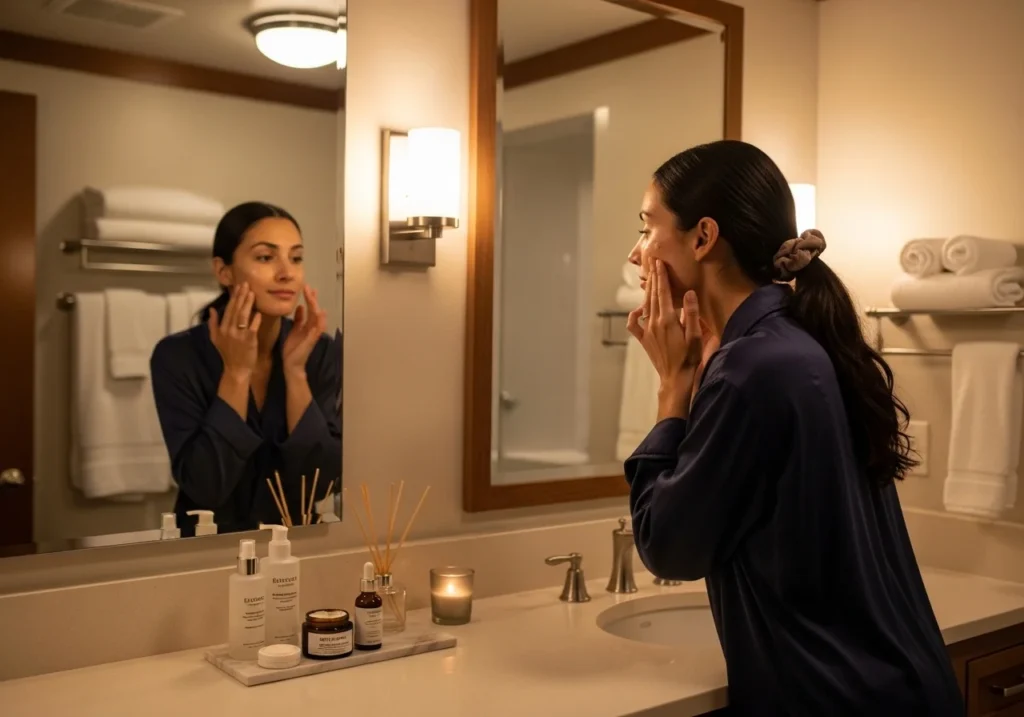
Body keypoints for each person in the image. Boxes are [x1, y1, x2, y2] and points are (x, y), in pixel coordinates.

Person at [623, 140, 963, 715]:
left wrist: (672, 389)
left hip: (837, 698)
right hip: (897, 685)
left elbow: (670, 547)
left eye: (646, 227)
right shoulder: (798, 342)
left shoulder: (749, 369)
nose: (636, 255)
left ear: (703, 237)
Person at [151, 201, 341, 536]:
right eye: (266, 257)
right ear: (224, 271)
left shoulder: (319, 352)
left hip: (295, 550)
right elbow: (206, 486)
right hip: (202, 553)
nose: (287, 272)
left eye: (295, 258)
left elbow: (321, 486)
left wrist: (296, 373)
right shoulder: (178, 356)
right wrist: (236, 374)